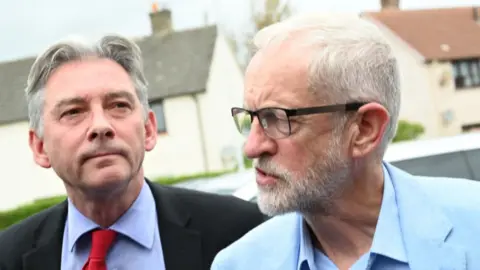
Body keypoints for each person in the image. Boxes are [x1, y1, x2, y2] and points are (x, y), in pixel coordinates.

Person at [211, 12, 480, 270]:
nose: (252, 147)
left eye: (277, 118)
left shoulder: (472, 225)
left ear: (364, 129)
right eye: (251, 118)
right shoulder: (240, 264)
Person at [0, 34, 266, 270]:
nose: (101, 126)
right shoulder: (8, 257)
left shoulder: (242, 234)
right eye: (73, 112)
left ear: (149, 129)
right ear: (39, 147)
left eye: (118, 105)